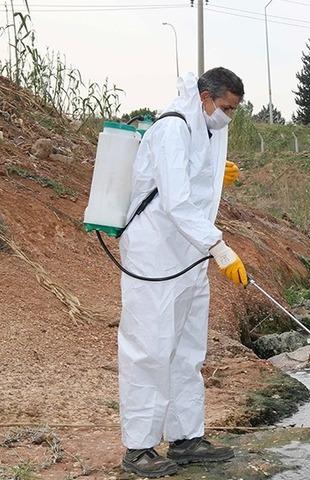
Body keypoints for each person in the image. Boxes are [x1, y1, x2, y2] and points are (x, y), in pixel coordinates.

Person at [117, 67, 248, 477]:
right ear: (204, 97)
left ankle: (186, 436)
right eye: (226, 107)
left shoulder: (207, 128)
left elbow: (194, 185)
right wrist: (220, 248)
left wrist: (214, 169)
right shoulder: (172, 127)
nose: (229, 116)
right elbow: (175, 201)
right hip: (155, 252)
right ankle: (138, 447)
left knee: (188, 350)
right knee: (149, 348)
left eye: (234, 110)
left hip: (189, 257)